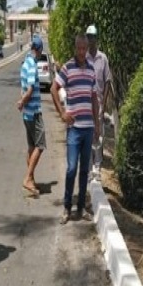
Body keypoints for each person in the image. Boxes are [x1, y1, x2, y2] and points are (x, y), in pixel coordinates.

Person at [51, 35, 100, 225]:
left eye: (84, 49)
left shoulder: (91, 69)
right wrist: (62, 112)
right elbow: (54, 88)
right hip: (74, 129)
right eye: (78, 48)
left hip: (88, 128)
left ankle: (80, 208)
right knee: (71, 169)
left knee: (84, 171)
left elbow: (94, 97)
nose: (81, 52)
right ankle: (66, 207)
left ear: (87, 48)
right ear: (75, 48)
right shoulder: (67, 68)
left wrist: (96, 124)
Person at [17, 35, 47, 197]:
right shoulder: (32, 66)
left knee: (31, 147)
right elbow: (28, 90)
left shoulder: (24, 64)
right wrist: (23, 101)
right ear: (40, 50)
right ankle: (28, 178)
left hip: (27, 114)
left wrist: (21, 101)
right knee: (40, 145)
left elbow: (22, 88)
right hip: (34, 112)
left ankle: (32, 181)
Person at [85, 24, 112, 181]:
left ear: (97, 38)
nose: (91, 40)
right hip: (86, 104)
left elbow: (107, 80)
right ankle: (89, 169)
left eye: (93, 37)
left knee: (99, 136)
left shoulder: (103, 58)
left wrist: (105, 101)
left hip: (99, 104)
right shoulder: (84, 58)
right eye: (88, 37)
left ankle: (97, 167)